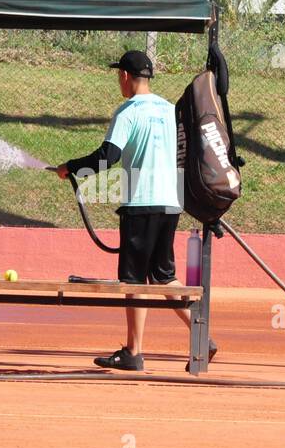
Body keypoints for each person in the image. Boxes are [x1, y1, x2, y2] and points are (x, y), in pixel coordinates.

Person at [57, 50, 217, 371]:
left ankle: (134, 351)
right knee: (163, 276)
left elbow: (108, 156)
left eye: (119, 75)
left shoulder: (127, 112)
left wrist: (71, 167)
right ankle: (204, 336)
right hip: (170, 204)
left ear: (125, 77)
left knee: (133, 280)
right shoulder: (170, 110)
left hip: (140, 204)